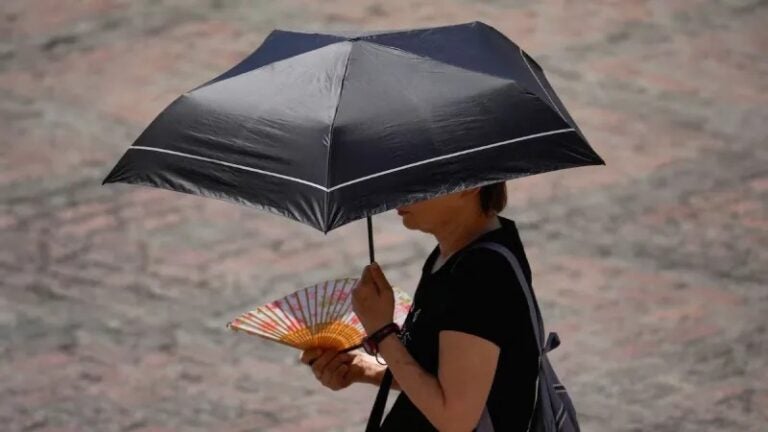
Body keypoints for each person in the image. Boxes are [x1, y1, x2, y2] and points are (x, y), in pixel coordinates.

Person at [300, 182, 540, 431]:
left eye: (420, 177)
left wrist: (381, 331)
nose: (395, 193)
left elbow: (455, 419)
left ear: (469, 186)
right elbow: (442, 371)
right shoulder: (452, 253)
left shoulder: (480, 273)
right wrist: (364, 369)